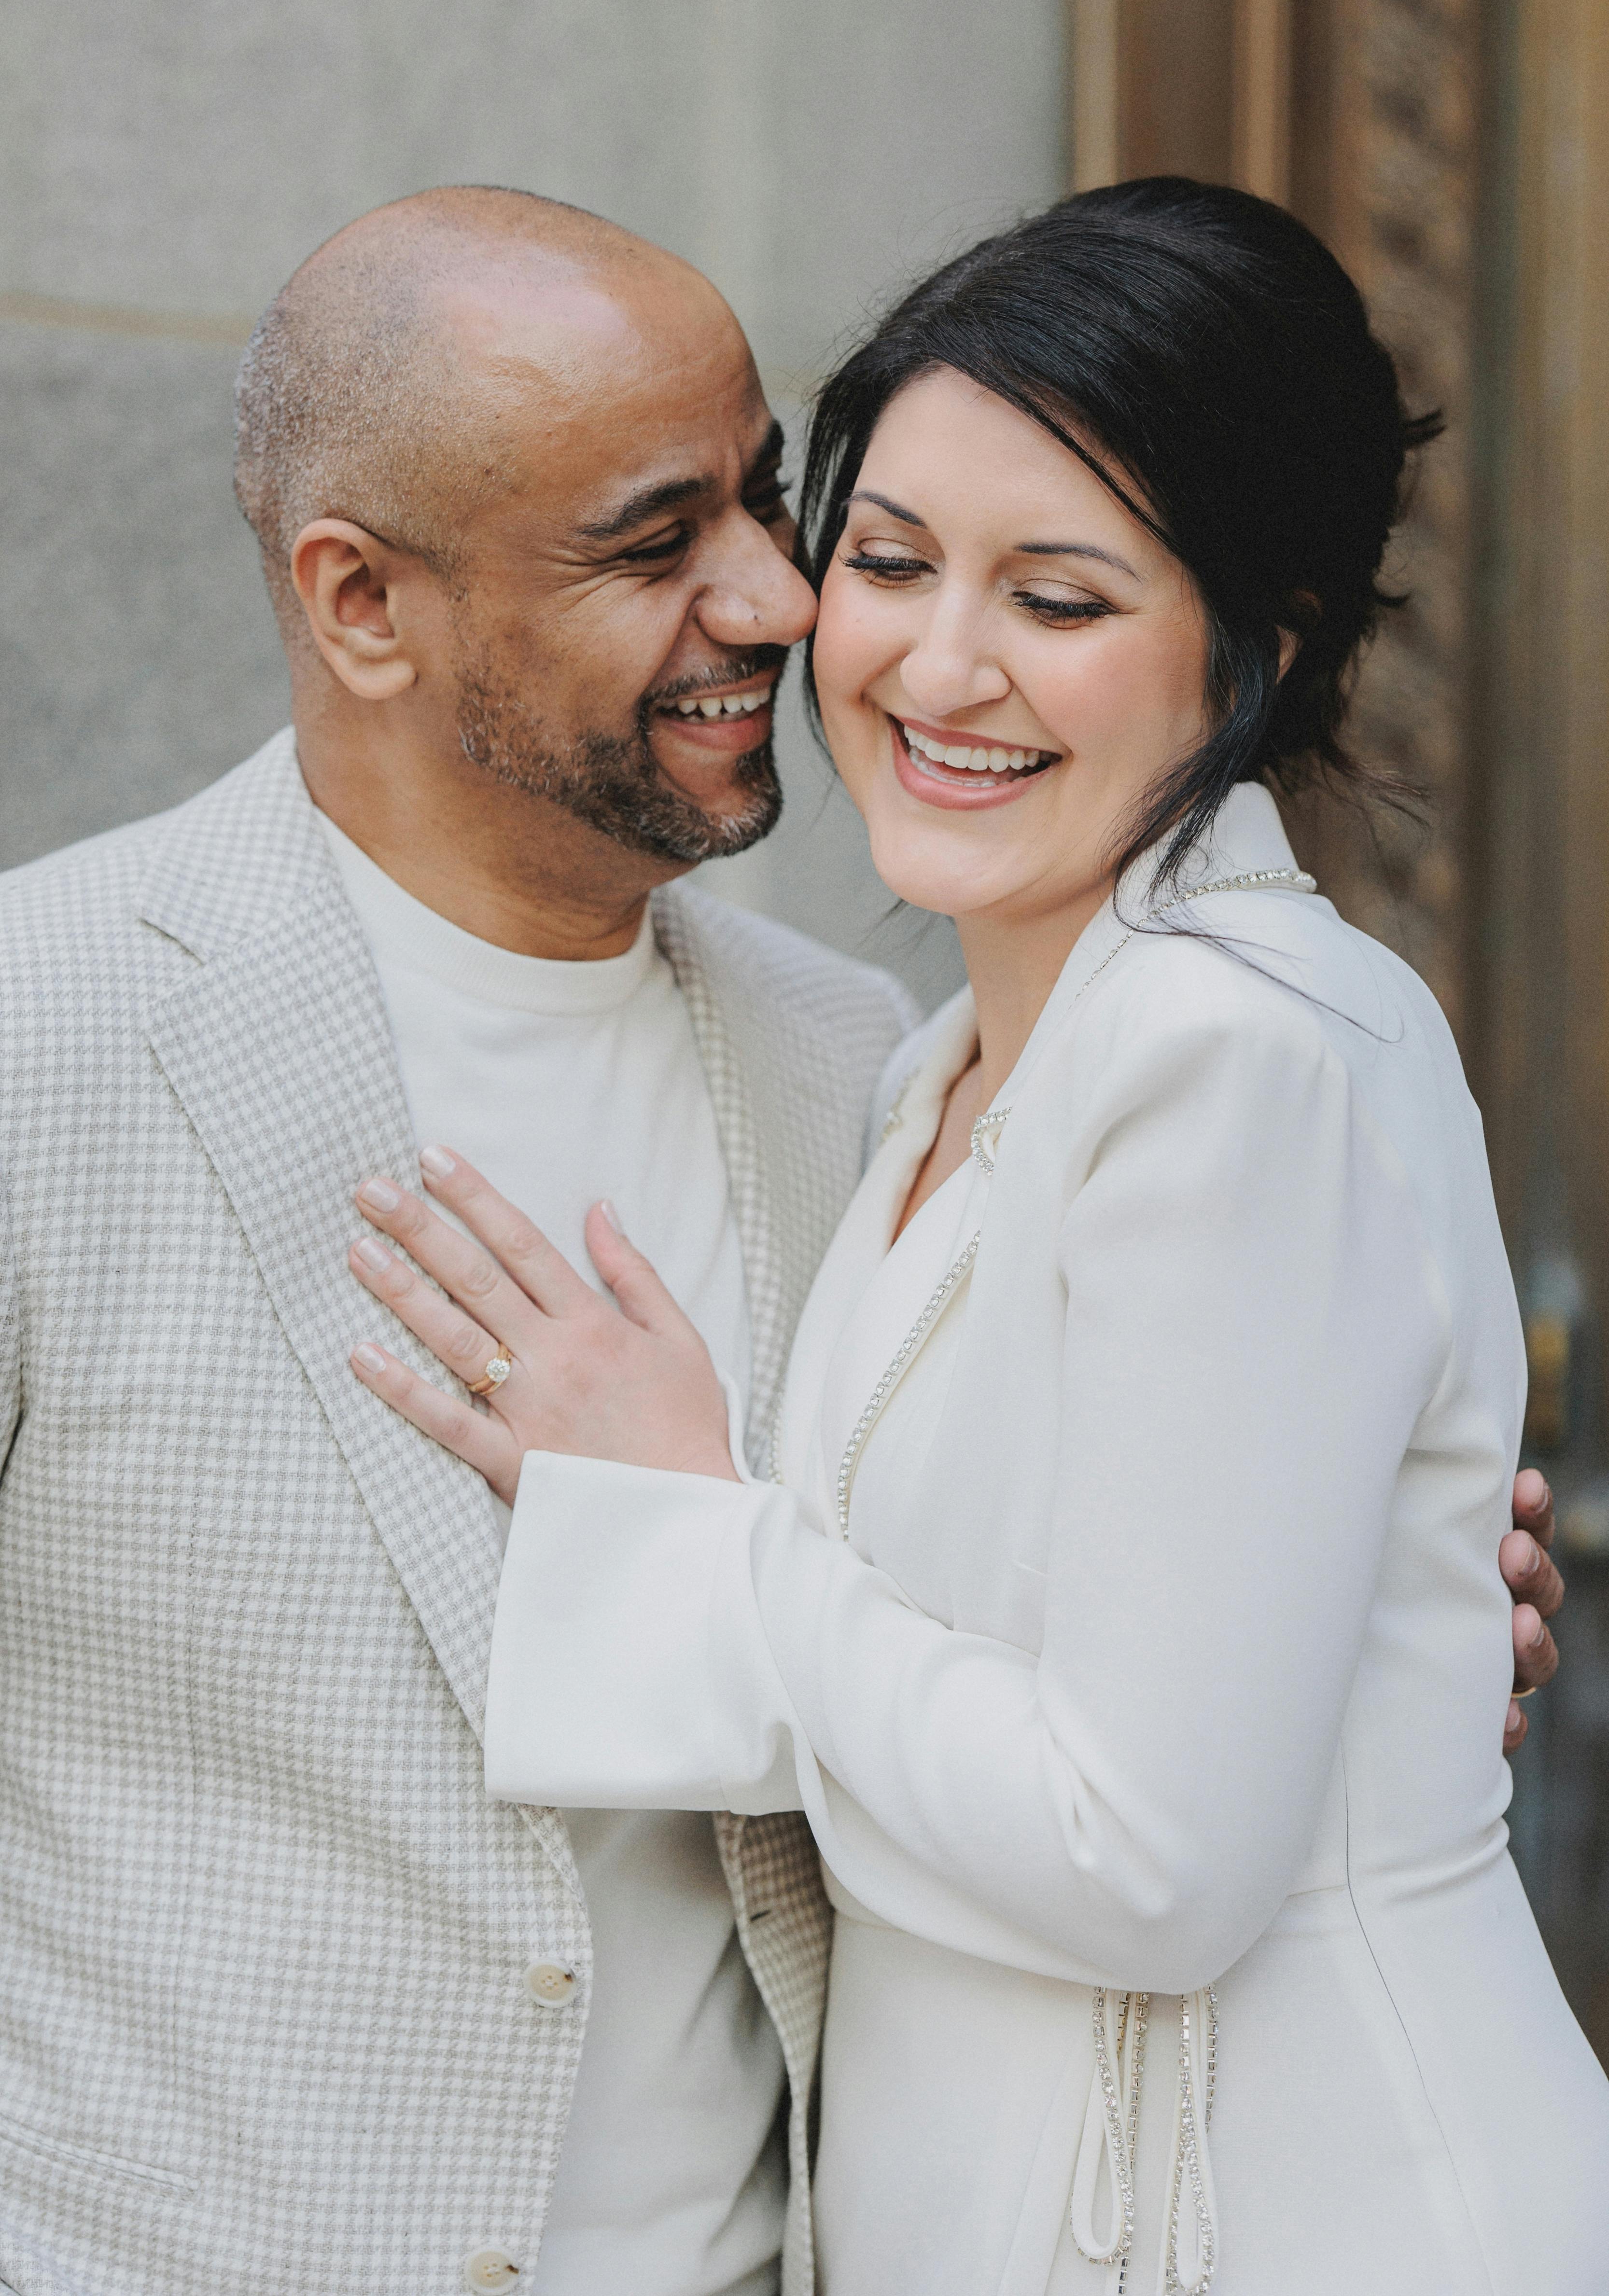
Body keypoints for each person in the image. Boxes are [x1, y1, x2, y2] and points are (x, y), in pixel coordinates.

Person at [347, 181, 1608, 2293]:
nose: (941, 664)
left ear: (1262, 641)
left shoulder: (1235, 1055)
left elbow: (1145, 1858)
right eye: (893, 559)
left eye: (1064, 595)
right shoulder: (932, 1067)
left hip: (1308, 2216)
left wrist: (689, 1515)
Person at [0, 186, 920, 2296]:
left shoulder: (864, 1063)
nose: (777, 597)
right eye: (652, 539)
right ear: (362, 605)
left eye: (766, 501)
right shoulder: (36, 1030)